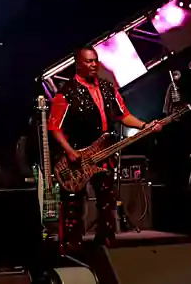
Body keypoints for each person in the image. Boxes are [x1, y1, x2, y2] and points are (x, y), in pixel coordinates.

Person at [47, 47, 162, 254]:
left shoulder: (109, 88)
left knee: (107, 200)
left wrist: (145, 126)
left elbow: (124, 116)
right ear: (78, 64)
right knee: (73, 204)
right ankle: (72, 248)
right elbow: (54, 128)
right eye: (89, 61)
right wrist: (70, 151)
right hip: (77, 157)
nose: (93, 65)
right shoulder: (66, 93)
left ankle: (105, 244)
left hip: (104, 154)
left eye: (95, 61)